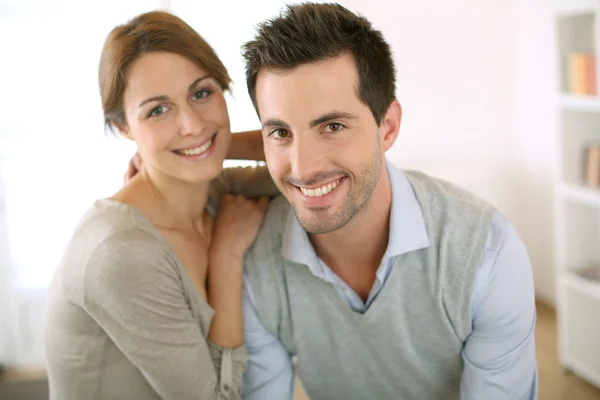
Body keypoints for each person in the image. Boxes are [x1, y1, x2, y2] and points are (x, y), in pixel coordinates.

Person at [239, 3, 538, 399]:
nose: (303, 167)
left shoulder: (485, 250)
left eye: (332, 126)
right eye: (280, 132)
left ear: (388, 126)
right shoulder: (256, 257)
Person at [43, 11, 277, 400]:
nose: (190, 122)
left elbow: (312, 165)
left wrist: (214, 142)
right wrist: (227, 256)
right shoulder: (121, 253)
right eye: (157, 110)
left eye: (202, 93)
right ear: (123, 128)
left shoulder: (211, 189)